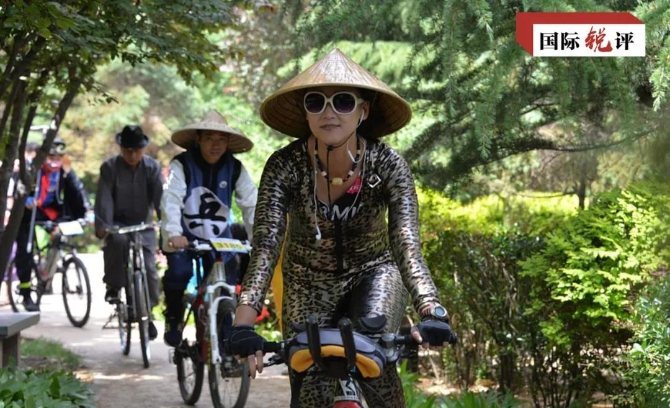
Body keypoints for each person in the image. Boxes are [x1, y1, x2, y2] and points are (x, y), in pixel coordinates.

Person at [228, 48, 457, 407]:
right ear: (305, 112)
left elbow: (406, 241)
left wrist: (431, 309)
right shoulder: (284, 166)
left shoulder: (388, 164)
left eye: (343, 101)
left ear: (363, 111)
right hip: (306, 281)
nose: (329, 112)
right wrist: (243, 322)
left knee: (375, 364)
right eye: (316, 102)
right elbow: (268, 242)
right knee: (310, 387)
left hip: (374, 272)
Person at [160, 110, 258, 347]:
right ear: (198, 139)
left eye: (222, 139)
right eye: (209, 138)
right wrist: (174, 233)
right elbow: (171, 199)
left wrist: (258, 237)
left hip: (220, 239)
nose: (216, 145)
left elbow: (252, 203)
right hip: (186, 238)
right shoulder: (182, 165)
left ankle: (224, 346)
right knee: (179, 274)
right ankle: (173, 317)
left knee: (226, 287)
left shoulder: (235, 168)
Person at [94, 125, 164, 340]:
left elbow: (160, 198)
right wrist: (104, 224)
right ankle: (114, 286)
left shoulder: (152, 168)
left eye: (136, 151)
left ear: (143, 149)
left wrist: (167, 224)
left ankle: (147, 314)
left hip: (143, 224)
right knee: (117, 243)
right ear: (121, 149)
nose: (132, 155)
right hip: (117, 224)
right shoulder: (109, 168)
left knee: (149, 268)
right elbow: (104, 198)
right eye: (127, 151)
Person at [14, 138, 92, 311]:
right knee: (25, 250)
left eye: (58, 158)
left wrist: (88, 210)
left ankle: (48, 271)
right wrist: (25, 199)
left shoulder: (65, 170)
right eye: (51, 157)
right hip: (29, 213)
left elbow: (78, 189)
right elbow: (17, 187)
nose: (55, 162)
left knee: (61, 236)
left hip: (52, 210)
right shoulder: (31, 168)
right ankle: (26, 293)